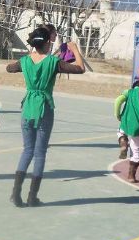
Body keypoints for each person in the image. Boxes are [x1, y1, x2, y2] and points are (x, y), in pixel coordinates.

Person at [6, 27, 86, 207]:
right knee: (39, 153)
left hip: (27, 108)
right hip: (44, 108)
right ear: (48, 43)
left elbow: (9, 68)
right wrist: (74, 50)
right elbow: (80, 69)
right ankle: (32, 197)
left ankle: (15, 192)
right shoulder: (53, 62)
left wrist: (28, 57)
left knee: (27, 150)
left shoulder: (24, 61)